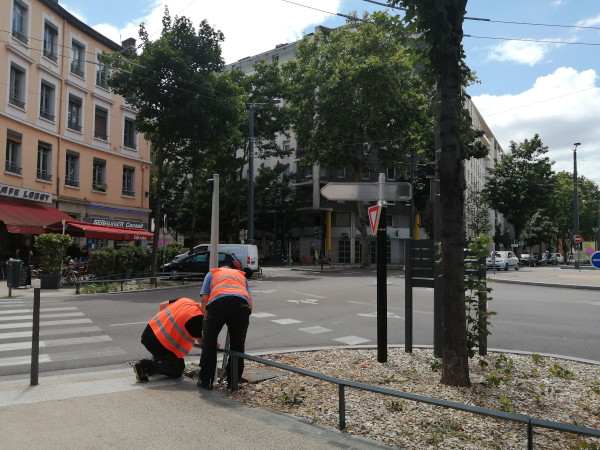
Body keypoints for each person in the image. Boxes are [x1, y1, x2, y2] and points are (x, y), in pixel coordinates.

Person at [198, 267, 252, 390]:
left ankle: (206, 381)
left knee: (209, 344)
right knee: (238, 346)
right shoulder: (241, 276)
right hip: (241, 306)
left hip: (218, 304)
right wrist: (241, 322)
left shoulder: (212, 273)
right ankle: (233, 383)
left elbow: (204, 299)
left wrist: (206, 324)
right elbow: (249, 304)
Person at [131, 297, 203, 383]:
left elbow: (162, 305)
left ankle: (156, 362)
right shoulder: (197, 318)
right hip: (161, 345)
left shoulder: (186, 301)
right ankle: (144, 366)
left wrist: (167, 324)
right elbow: (202, 342)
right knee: (177, 369)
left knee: (176, 361)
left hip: (148, 334)